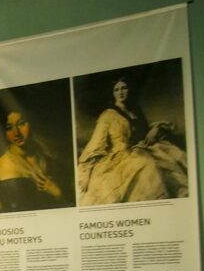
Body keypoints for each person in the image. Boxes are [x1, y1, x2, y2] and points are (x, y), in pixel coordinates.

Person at [77, 76, 189, 205]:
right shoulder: (108, 115)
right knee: (146, 164)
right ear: (112, 93)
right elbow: (96, 143)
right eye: (117, 89)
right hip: (118, 157)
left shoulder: (134, 111)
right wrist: (87, 171)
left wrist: (155, 128)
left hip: (138, 150)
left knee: (169, 158)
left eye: (124, 88)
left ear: (129, 90)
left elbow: (141, 132)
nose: (120, 92)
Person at [0, 109, 65, 214]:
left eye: (21, 124)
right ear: (4, 132)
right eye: (9, 128)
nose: (16, 133)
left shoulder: (51, 163)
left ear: (32, 124)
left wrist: (58, 193)